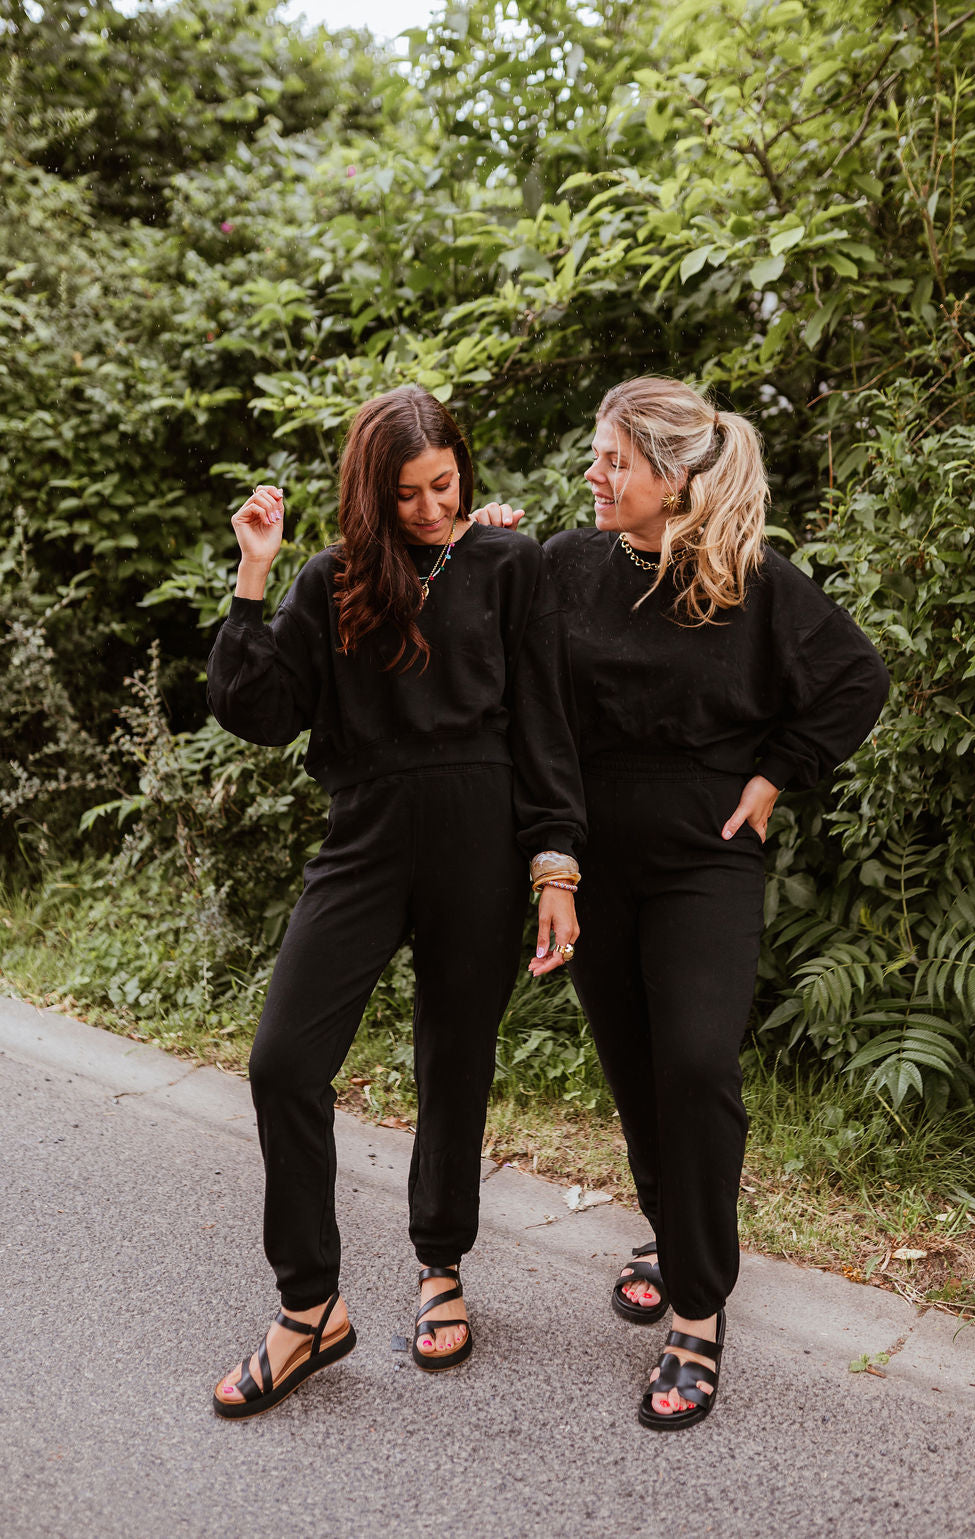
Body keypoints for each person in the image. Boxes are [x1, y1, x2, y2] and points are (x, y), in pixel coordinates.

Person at [477, 375, 888, 1430]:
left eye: (612, 460)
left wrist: (776, 775)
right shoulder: (567, 566)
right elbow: (516, 691)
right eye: (597, 456)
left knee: (697, 1064)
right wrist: (484, 551)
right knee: (634, 1066)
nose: (592, 474)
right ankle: (669, 1232)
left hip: (707, 856)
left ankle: (698, 1312)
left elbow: (856, 678)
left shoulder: (750, 580)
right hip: (594, 855)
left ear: (669, 477)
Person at [206, 385, 584, 1418]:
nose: (430, 509)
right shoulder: (333, 580)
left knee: (453, 1059)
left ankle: (440, 1266)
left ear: (464, 470)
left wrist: (555, 864)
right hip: (364, 838)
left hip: (480, 838)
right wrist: (254, 573)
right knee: (284, 1060)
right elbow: (257, 710)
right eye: (408, 494)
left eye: (444, 486)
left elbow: (544, 722)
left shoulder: (509, 563)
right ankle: (309, 1307)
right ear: (373, 492)